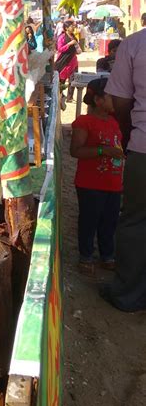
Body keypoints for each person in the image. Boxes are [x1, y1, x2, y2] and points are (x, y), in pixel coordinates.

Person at [102, 26, 146, 311]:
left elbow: (120, 102)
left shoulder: (134, 45)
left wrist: (130, 133)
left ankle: (129, 293)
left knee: (135, 220)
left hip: (143, 147)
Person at [70, 78, 124, 276]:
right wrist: (104, 151)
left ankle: (107, 255)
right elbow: (75, 151)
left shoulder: (114, 121)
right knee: (89, 220)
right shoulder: (84, 122)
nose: (116, 100)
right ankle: (86, 256)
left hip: (114, 182)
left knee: (109, 221)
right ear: (99, 100)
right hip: (90, 183)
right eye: (111, 96)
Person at [55, 19, 80, 105]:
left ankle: (70, 97)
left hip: (73, 62)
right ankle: (60, 96)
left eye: (73, 26)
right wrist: (69, 44)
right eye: (71, 26)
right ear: (66, 28)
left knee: (73, 80)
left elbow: (77, 47)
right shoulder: (62, 37)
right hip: (64, 62)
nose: (73, 27)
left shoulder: (74, 36)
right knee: (61, 80)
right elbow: (60, 49)